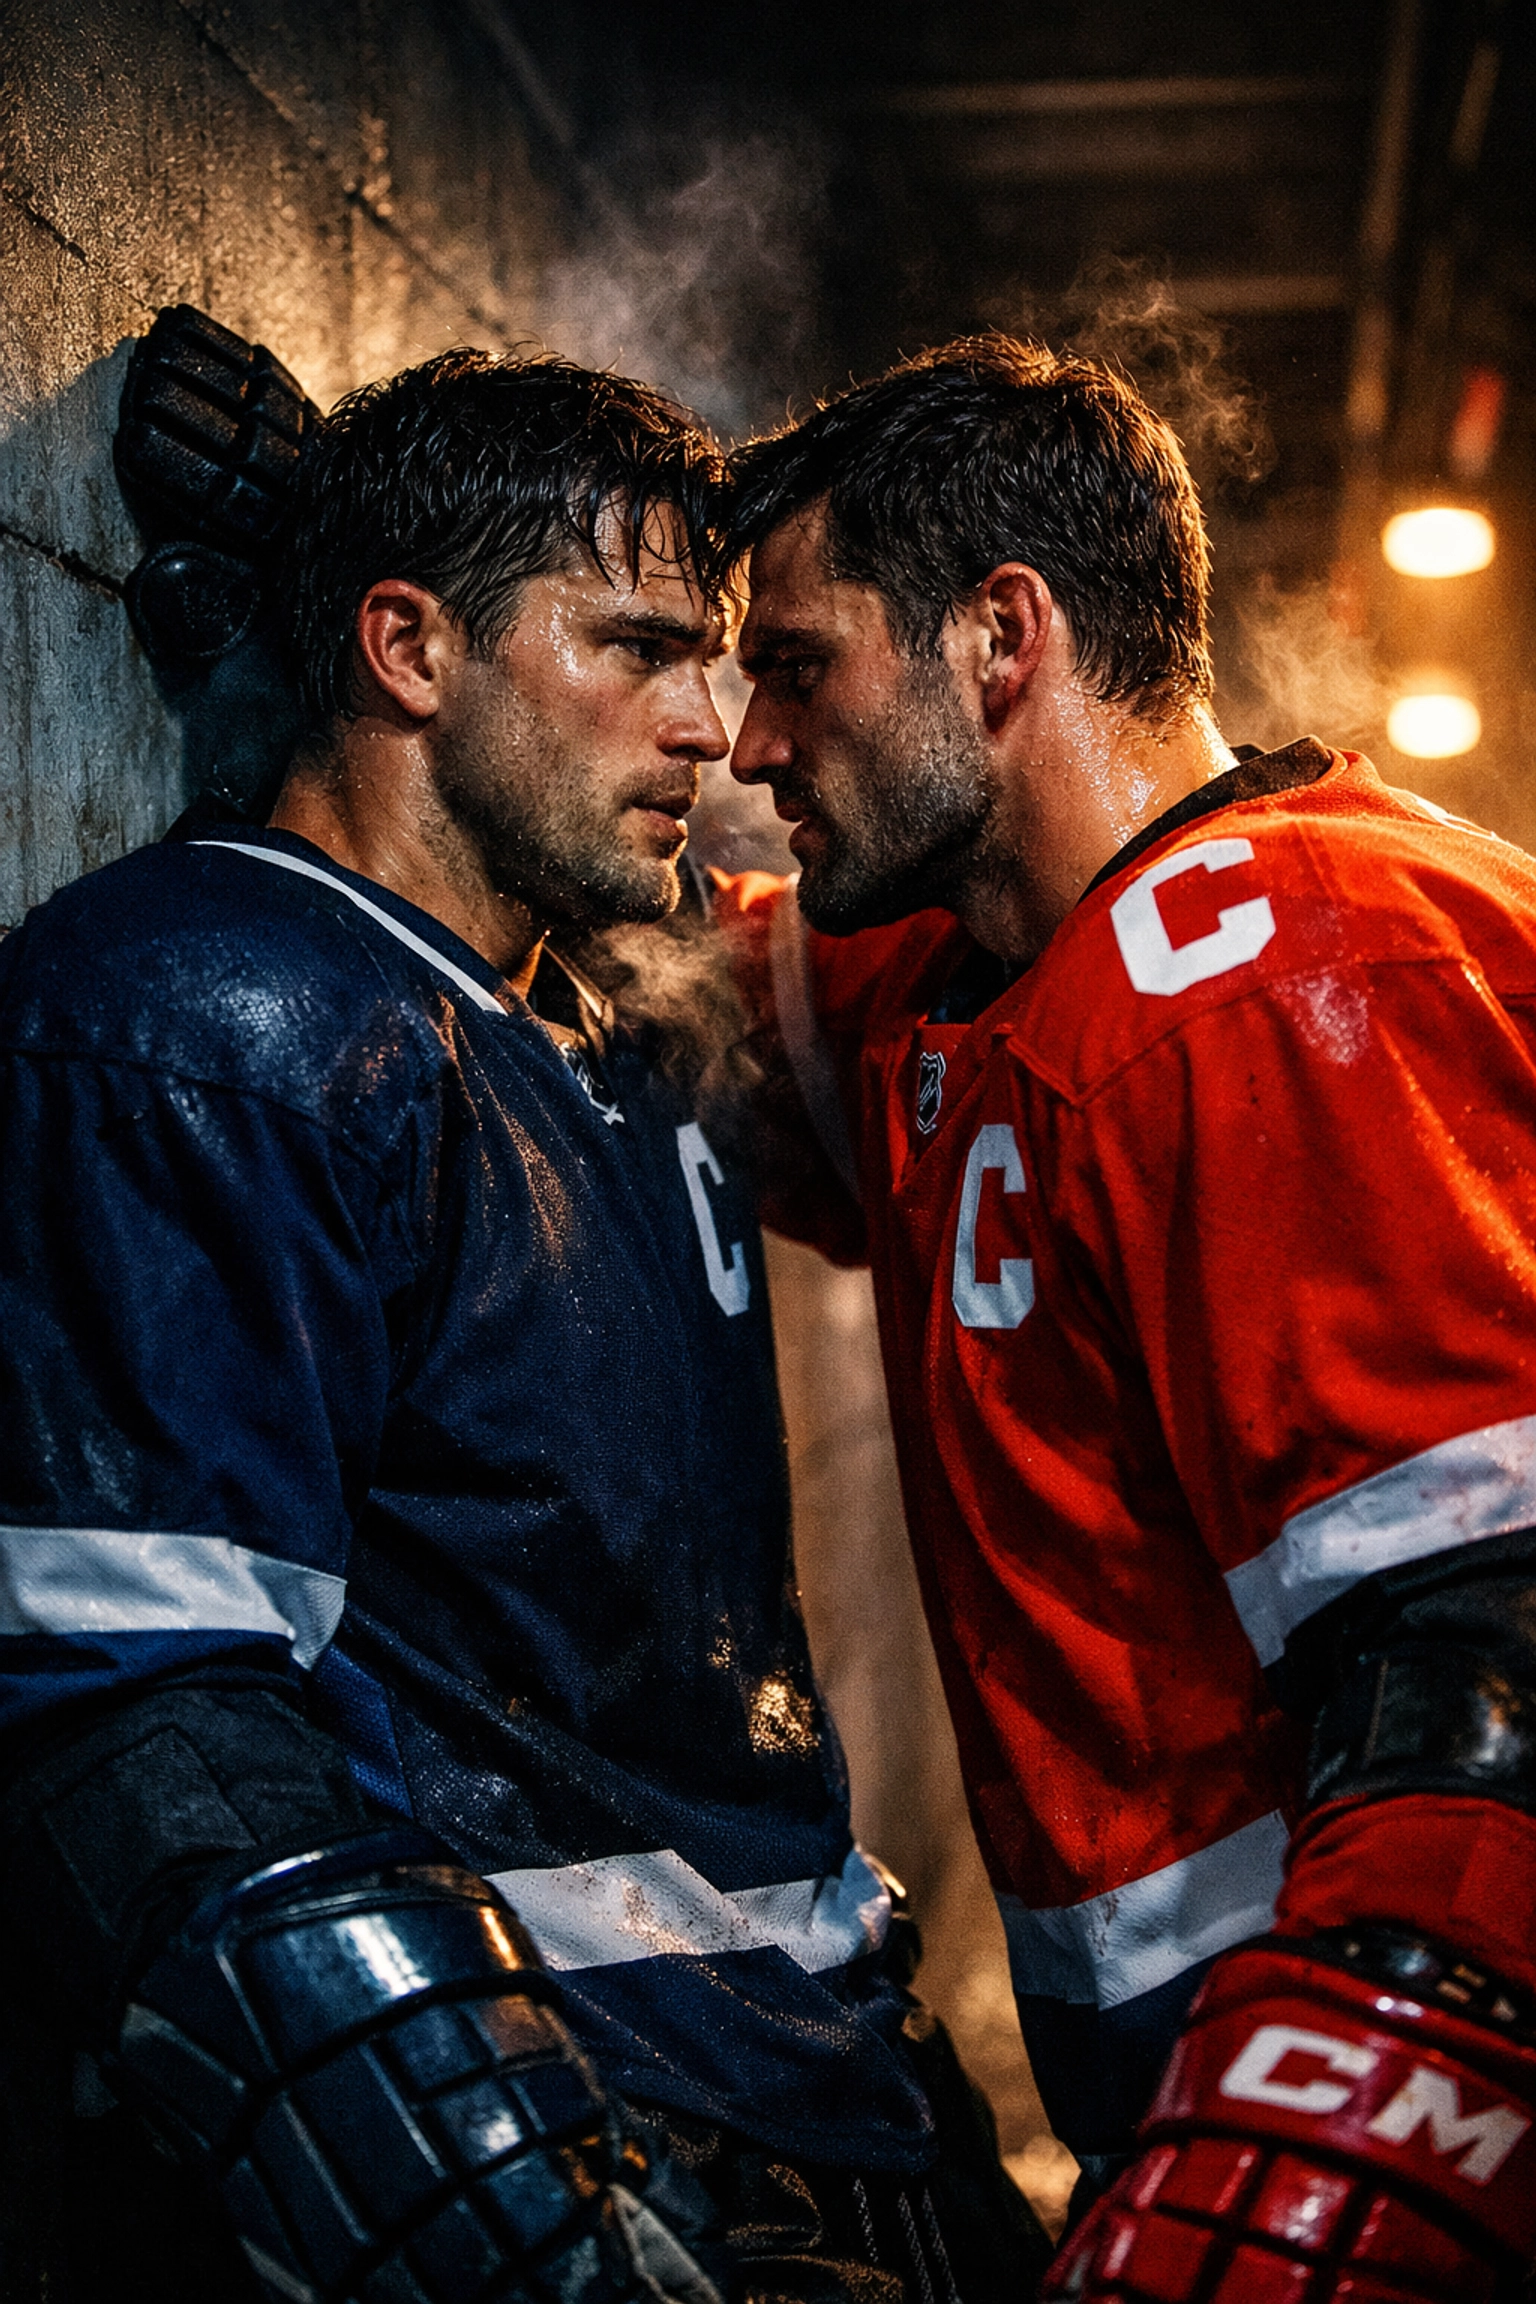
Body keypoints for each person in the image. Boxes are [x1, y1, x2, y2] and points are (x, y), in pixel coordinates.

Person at [0, 347, 1047, 2304]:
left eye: (724, 659)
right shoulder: (205, 1022)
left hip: (839, 2101)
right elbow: (151, 1730)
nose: (718, 731)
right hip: (579, 2135)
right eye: (642, 649)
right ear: (407, 646)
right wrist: (501, 2194)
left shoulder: (627, 1015)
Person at [717, 335, 1536, 2304]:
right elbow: (601, 940)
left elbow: (1494, 1691)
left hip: (1391, 2118)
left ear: (1002, 637)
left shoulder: (1294, 981)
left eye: (798, 665)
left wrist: (1303, 2166)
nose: (748, 743)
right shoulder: (964, 981)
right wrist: (356, 592)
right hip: (1192, 2090)